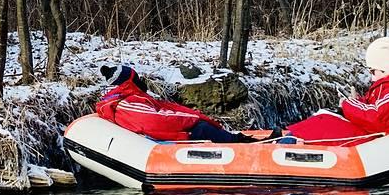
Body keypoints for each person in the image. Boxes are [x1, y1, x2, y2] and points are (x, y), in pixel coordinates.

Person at [97, 65, 266, 143]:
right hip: (173, 136)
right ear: (129, 82)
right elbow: (157, 121)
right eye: (136, 78)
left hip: (174, 132)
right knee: (202, 128)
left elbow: (168, 111)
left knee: (204, 127)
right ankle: (243, 143)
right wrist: (195, 118)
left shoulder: (130, 99)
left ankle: (240, 139)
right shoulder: (125, 103)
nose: (141, 81)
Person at [287, 36, 389, 145]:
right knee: (324, 118)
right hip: (374, 136)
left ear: (385, 67)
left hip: (375, 141)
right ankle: (287, 140)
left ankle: (282, 145)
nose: (372, 78)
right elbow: (379, 109)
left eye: (373, 71)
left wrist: (348, 104)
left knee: (324, 123)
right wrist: (358, 101)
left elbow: (377, 117)